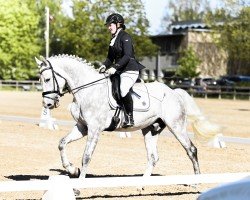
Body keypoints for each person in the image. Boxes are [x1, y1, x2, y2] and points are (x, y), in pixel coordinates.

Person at [99, 13, 145, 128]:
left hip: (130, 70)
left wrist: (115, 67)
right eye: (108, 25)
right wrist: (104, 66)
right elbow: (110, 58)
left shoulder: (125, 36)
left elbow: (128, 55)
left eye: (110, 25)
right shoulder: (113, 39)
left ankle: (130, 117)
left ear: (118, 24)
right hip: (120, 70)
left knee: (123, 89)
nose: (109, 27)